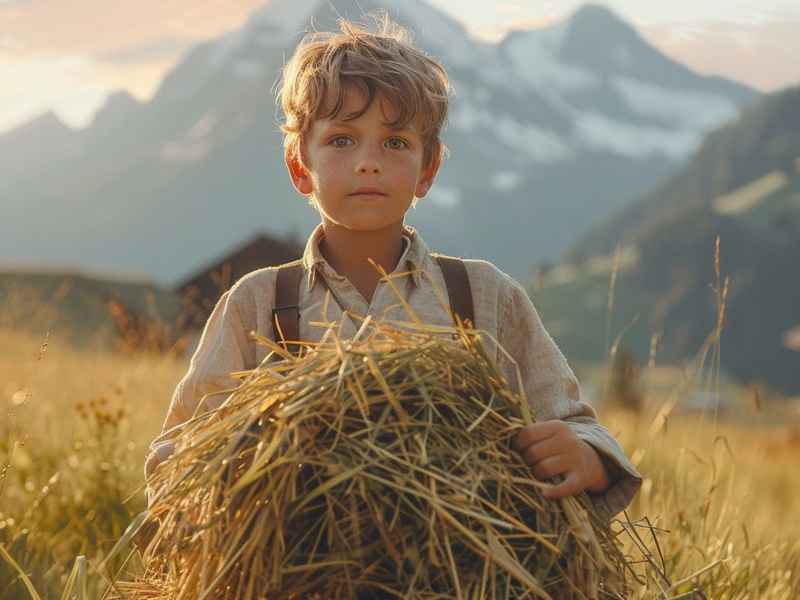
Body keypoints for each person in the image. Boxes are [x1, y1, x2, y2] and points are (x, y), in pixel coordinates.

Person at [144, 15, 641, 518]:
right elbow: (175, 456)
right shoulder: (258, 304)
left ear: (428, 170)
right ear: (300, 167)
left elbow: (575, 424)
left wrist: (586, 457)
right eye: (342, 140)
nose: (368, 161)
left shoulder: (484, 297)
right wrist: (230, 472)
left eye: (396, 142)